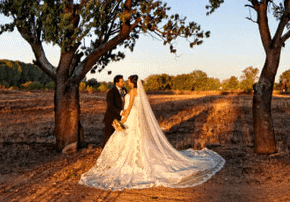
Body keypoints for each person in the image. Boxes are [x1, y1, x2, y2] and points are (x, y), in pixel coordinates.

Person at [80, 74, 225, 190]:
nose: (127, 82)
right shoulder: (135, 91)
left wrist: (124, 117)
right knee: (138, 138)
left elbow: (130, 106)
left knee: (128, 138)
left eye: (128, 80)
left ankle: (127, 162)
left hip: (131, 115)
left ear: (132, 82)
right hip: (136, 116)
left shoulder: (131, 91)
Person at [103, 75, 127, 147]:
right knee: (108, 136)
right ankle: (105, 153)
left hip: (121, 118)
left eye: (123, 81)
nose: (124, 82)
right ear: (117, 83)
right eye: (122, 81)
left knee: (117, 137)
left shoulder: (124, 90)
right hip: (111, 118)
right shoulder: (111, 92)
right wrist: (121, 112)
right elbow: (110, 106)